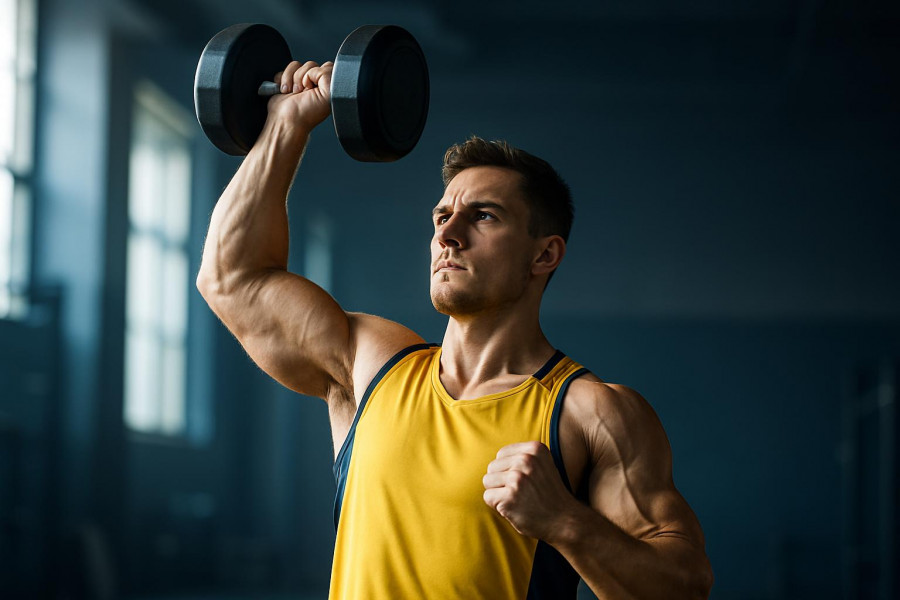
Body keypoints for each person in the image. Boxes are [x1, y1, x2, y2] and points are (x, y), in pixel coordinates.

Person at [196, 59, 714, 599]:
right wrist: (287, 123)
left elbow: (684, 587)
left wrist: (566, 522)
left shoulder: (591, 414)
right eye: (442, 217)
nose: (449, 234)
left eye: (484, 216)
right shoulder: (372, 366)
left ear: (544, 254)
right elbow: (233, 278)